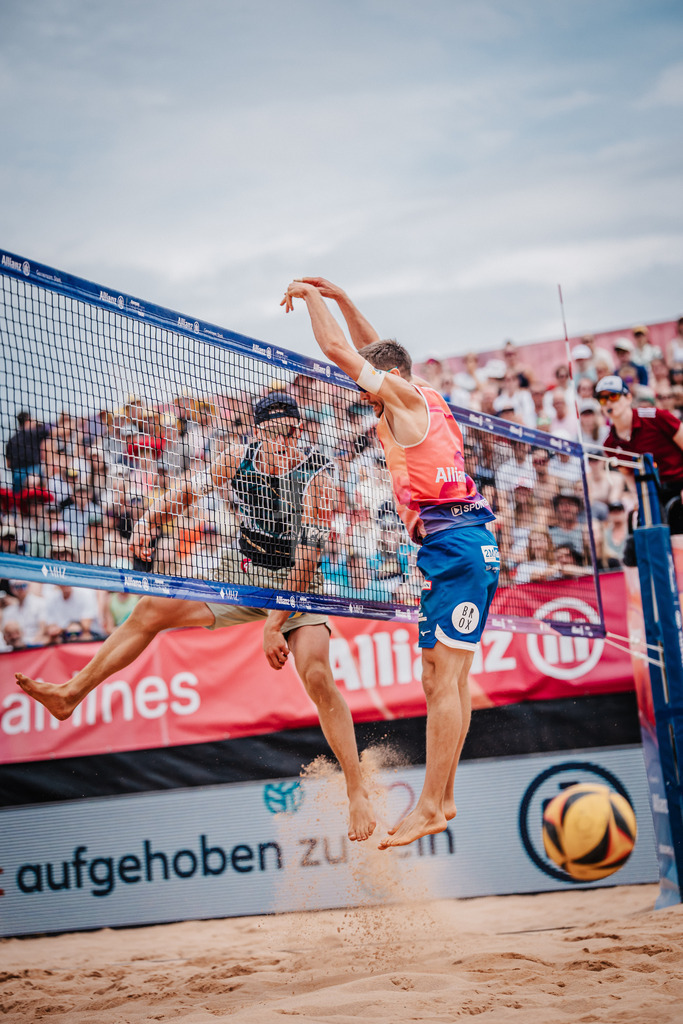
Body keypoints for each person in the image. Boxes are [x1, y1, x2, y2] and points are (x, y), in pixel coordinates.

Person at [15, 392, 376, 843]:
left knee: (317, 673)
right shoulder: (235, 458)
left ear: (300, 430)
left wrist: (272, 624)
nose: (285, 441)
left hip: (297, 583)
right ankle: (70, 693)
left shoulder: (318, 476)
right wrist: (150, 518)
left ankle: (356, 788)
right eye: (275, 433)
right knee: (149, 610)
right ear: (258, 433)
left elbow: (303, 568)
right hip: (242, 571)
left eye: (291, 432)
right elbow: (185, 492)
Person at [282, 276, 500, 850]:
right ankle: (443, 797)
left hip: (455, 544)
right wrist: (340, 298)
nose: (369, 397)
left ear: (393, 379)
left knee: (444, 681)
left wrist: (308, 299)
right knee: (443, 678)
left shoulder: (403, 398)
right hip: (454, 546)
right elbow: (376, 348)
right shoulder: (420, 393)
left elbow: (342, 352)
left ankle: (431, 804)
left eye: (376, 386)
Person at [598, 374, 683, 507]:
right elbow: (629, 475)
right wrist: (638, 498)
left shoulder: (656, 417)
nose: (608, 402)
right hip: (653, 494)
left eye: (613, 396)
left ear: (628, 397)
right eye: (602, 399)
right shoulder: (610, 444)